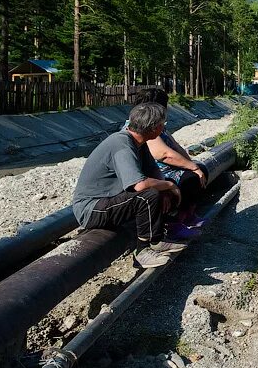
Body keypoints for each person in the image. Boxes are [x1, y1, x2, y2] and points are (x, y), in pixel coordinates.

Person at [72, 102, 186, 269]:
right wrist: (168, 185)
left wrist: (167, 190)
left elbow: (153, 170)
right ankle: (143, 251)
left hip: (111, 200)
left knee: (161, 191)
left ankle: (158, 238)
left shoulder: (139, 143)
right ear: (153, 128)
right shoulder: (122, 143)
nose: (163, 128)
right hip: (91, 209)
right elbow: (139, 185)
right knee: (148, 195)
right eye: (162, 124)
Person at [131, 88, 207, 239]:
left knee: (199, 171)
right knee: (189, 179)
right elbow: (163, 154)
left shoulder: (158, 126)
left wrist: (193, 165)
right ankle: (173, 223)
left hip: (158, 171)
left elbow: (175, 147)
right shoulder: (142, 128)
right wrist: (192, 168)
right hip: (148, 176)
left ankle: (187, 215)